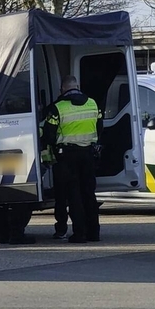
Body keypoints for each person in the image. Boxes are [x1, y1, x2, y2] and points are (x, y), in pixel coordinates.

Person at [42, 75, 102, 243]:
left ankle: (79, 233)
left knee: (73, 195)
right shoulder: (92, 103)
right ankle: (94, 233)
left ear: (63, 89)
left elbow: (48, 135)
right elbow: (100, 127)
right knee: (89, 194)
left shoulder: (57, 108)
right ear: (77, 86)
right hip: (89, 154)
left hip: (67, 156)